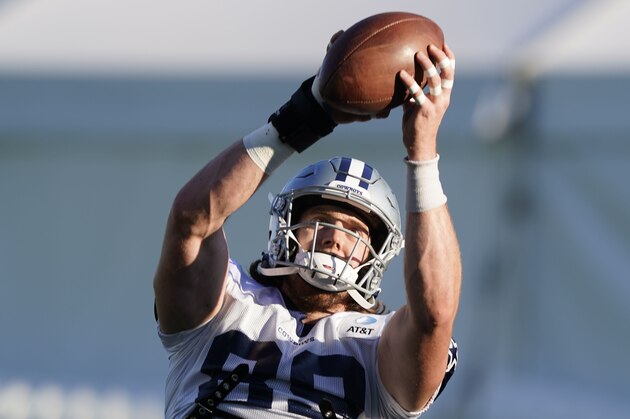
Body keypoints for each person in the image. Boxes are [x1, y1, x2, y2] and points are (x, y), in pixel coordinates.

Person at [153, 33, 461, 418]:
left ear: (375, 256)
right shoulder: (226, 301)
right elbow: (190, 220)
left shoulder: (380, 341)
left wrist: (423, 152)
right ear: (286, 229)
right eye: (321, 221)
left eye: (356, 233)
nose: (335, 239)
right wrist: (308, 113)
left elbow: (435, 314)